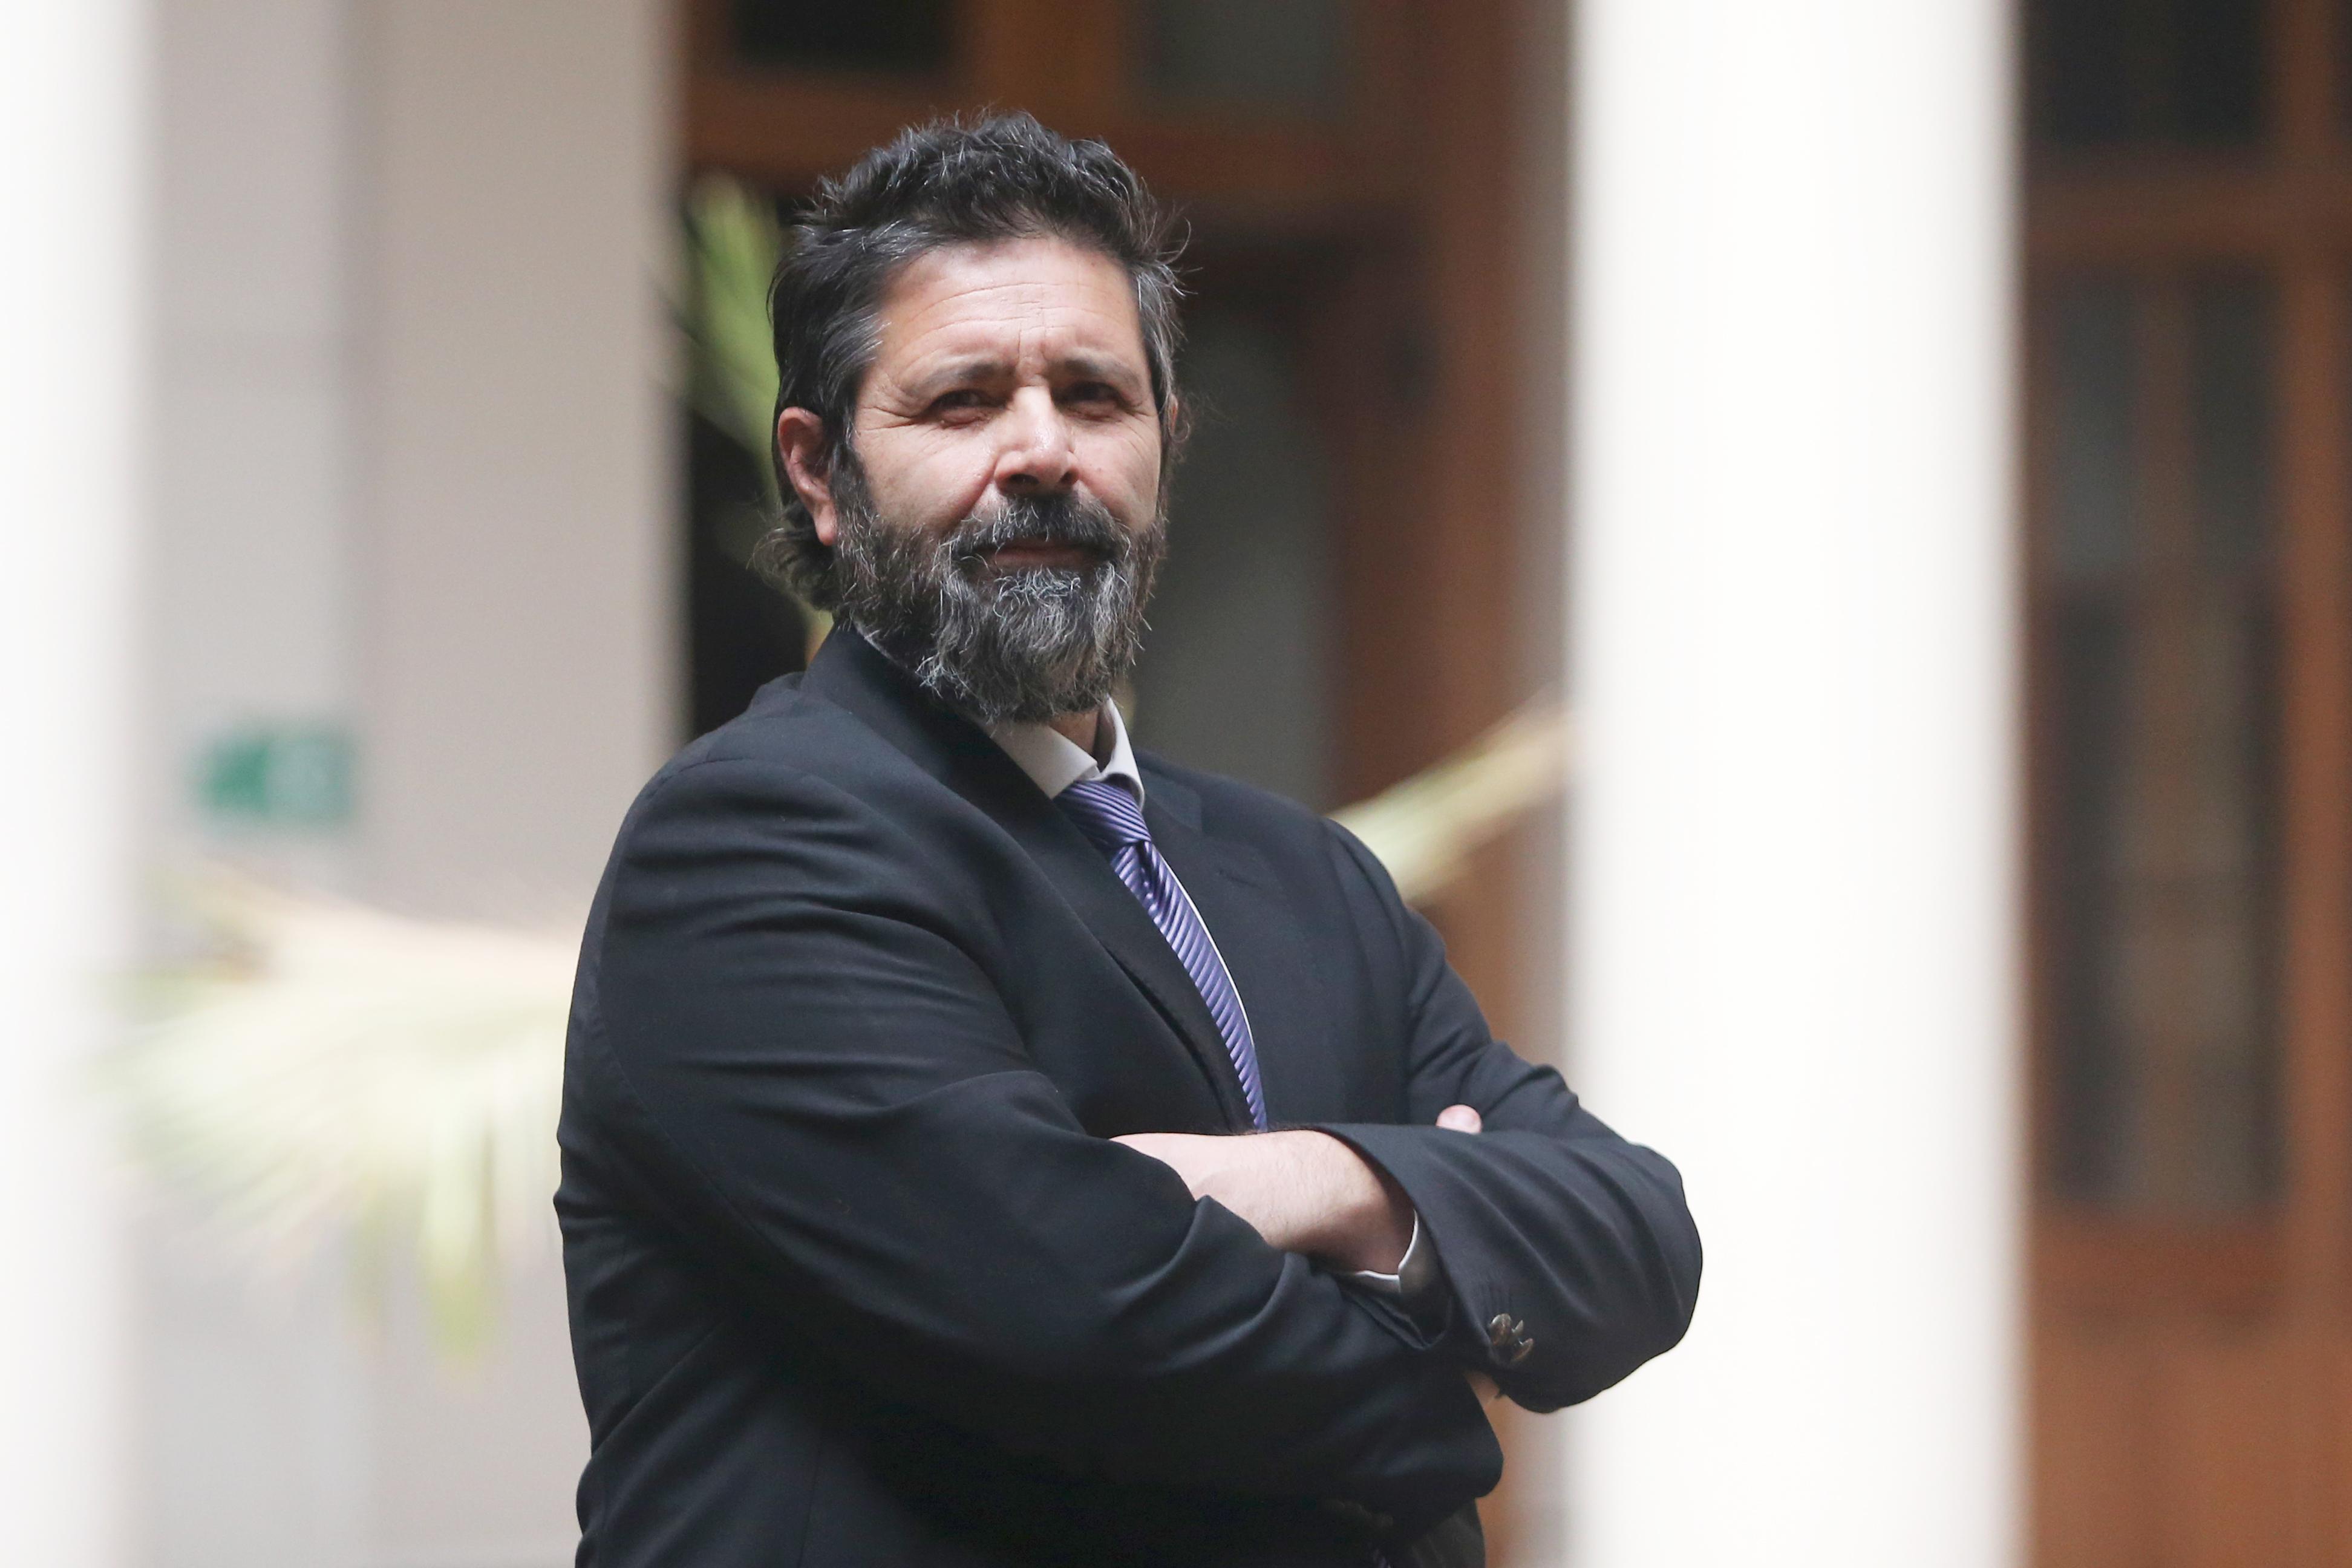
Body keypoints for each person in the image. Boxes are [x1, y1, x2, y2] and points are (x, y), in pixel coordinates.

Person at [557, 113, 1699, 1568]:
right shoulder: (755, 847)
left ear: (1166, 442)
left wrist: (1315, 1183)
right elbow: (1075, 1312)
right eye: (963, 401)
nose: (1042, 451)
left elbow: (1636, 1232)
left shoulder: (1305, 876)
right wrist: (1444, 1353)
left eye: (1094, 396)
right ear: (823, 475)